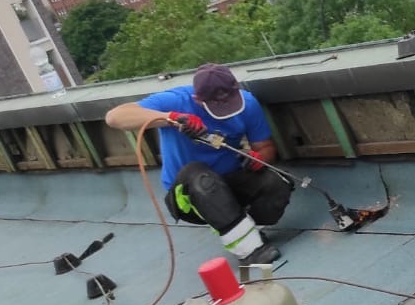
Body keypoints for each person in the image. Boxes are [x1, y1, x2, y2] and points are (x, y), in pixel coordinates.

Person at [105, 64, 291, 266]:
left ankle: (246, 228)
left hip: (229, 182)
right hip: (189, 195)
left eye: (230, 101)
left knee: (276, 182)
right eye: (218, 106)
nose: (226, 108)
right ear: (197, 99)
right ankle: (250, 249)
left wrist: (259, 159)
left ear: (236, 88)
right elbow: (115, 117)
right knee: (198, 174)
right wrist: (171, 119)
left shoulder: (248, 103)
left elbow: (265, 147)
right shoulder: (176, 100)